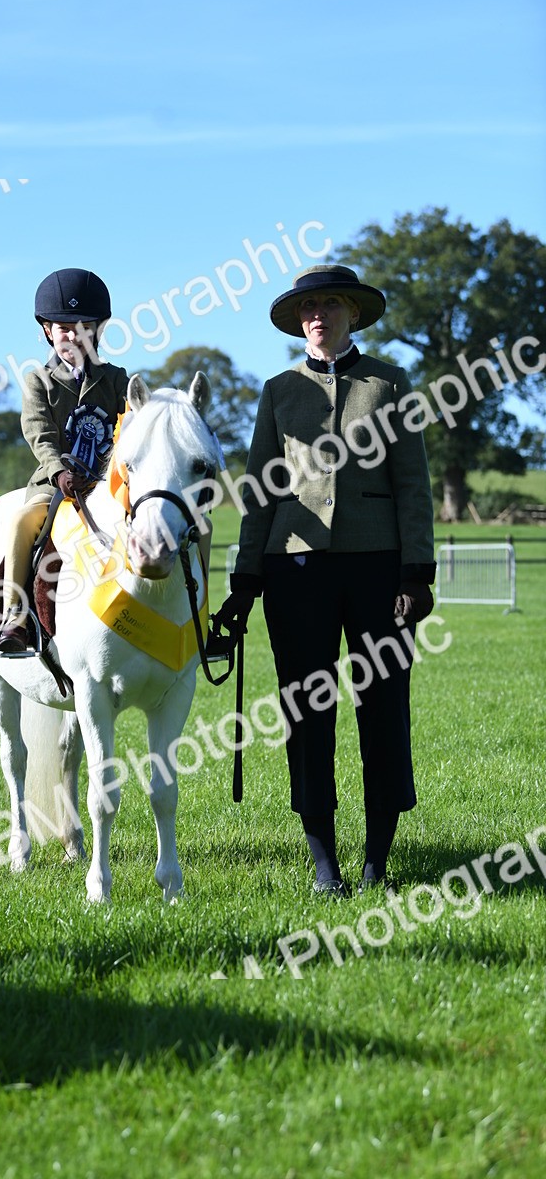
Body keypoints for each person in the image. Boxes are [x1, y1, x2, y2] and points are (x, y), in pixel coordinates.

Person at [214, 264, 436, 896]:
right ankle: (323, 864)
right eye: (308, 306)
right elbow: (259, 489)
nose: (318, 314)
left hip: (378, 568)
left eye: (330, 304)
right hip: (296, 568)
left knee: (384, 710)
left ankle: (376, 861)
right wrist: (247, 575)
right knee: (307, 710)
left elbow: (414, 486)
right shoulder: (278, 390)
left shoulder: (390, 385)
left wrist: (416, 572)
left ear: (353, 314)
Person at [0, 268, 129, 655]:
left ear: (99, 330)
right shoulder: (39, 381)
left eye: (85, 325)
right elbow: (39, 432)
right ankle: (16, 616)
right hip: (55, 487)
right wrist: (58, 471)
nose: (74, 334)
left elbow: (132, 425)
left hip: (107, 487)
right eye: (64, 327)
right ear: (47, 331)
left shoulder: (117, 379)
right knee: (22, 522)